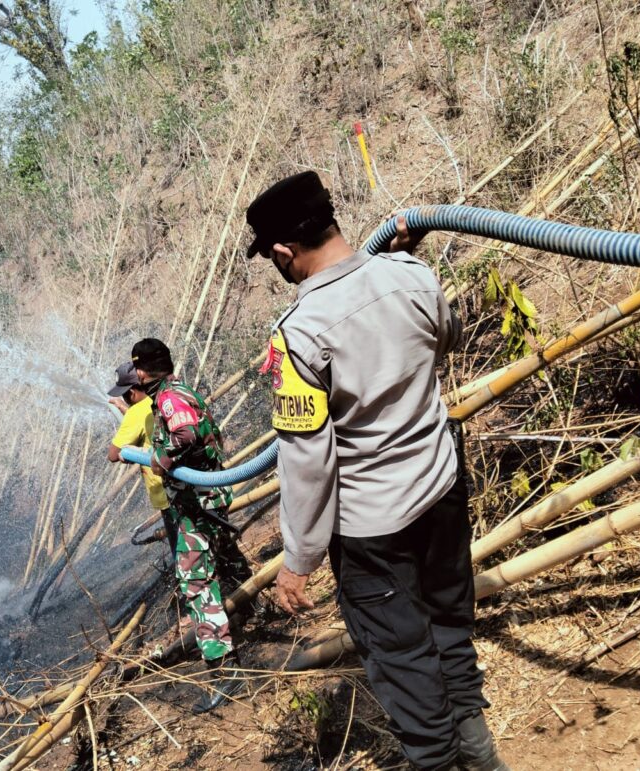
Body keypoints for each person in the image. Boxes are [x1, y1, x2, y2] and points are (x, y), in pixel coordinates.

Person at [244, 170, 508, 771]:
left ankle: (440, 760)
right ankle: (485, 759)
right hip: (441, 489)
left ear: (284, 252)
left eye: (272, 257)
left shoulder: (299, 336)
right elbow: (448, 337)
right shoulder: (409, 276)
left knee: (404, 661)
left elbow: (308, 463)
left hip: (373, 532)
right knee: (448, 630)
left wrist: (298, 560)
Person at [129, 337, 252, 713]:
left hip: (197, 504)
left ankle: (223, 671)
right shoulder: (178, 391)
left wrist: (161, 460)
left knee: (197, 583)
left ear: (141, 370)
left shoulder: (169, 399)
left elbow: (185, 435)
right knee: (225, 559)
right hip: (204, 500)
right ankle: (253, 611)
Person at [106, 361, 176, 559]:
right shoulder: (161, 397)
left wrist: (128, 449)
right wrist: (125, 411)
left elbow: (113, 455)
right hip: (186, 484)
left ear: (132, 392)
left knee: (181, 550)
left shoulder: (136, 413)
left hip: (166, 490)